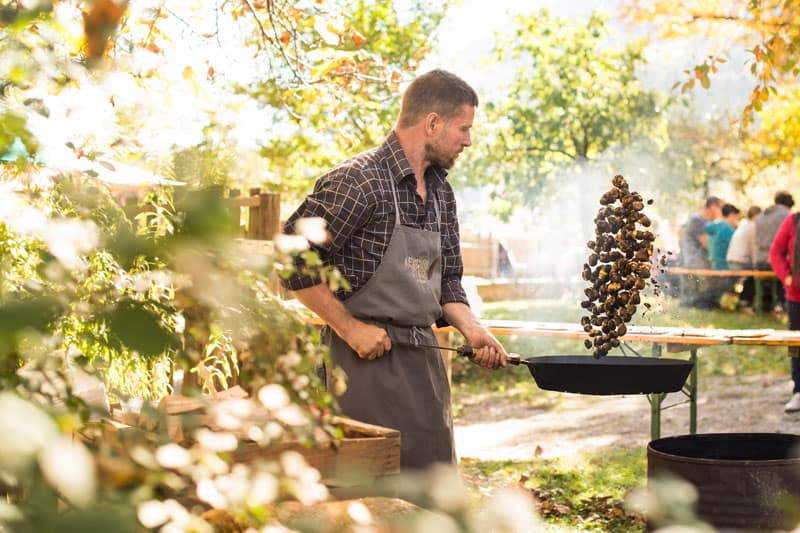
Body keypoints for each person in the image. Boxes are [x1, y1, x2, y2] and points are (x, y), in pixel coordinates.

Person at [281, 70, 508, 470]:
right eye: (464, 128)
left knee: (431, 496)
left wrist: (474, 330)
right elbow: (291, 257)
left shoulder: (442, 194)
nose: (468, 140)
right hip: (357, 365)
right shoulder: (358, 181)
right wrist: (350, 329)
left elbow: (448, 282)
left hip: (424, 368)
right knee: (367, 496)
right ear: (432, 122)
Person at [768, 211, 800, 412]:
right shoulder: (793, 220)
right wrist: (787, 277)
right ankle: (799, 391)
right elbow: (775, 252)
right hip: (796, 297)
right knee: (797, 346)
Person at [756, 191, 794, 310]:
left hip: (760, 261)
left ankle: (767, 303)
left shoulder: (761, 215)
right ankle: (781, 303)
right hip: (776, 263)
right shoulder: (789, 216)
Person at [727, 206, 761, 308]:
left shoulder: (743, 225)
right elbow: (754, 249)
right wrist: (757, 265)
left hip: (731, 260)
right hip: (740, 262)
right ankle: (745, 302)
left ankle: (744, 301)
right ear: (756, 216)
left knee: (753, 273)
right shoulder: (753, 227)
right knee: (757, 274)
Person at [678, 196, 723, 269]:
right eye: (722, 208)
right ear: (713, 207)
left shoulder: (706, 222)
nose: (723, 212)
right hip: (695, 264)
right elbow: (708, 244)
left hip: (702, 263)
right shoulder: (697, 220)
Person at [705, 203, 740, 271]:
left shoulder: (714, 226)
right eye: (736, 217)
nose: (736, 221)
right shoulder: (727, 230)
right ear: (731, 214)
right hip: (724, 267)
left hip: (713, 266)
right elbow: (736, 250)